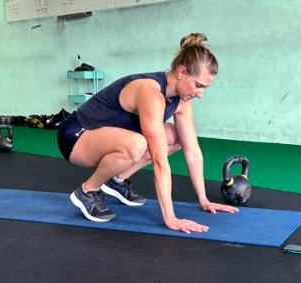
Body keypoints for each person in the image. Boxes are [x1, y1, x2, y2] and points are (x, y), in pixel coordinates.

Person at [57, 33, 239, 234]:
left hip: (107, 137)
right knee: (138, 144)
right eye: (198, 85)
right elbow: (159, 160)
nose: (200, 94)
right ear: (181, 72)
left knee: (176, 137)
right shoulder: (150, 92)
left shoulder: (182, 101)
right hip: (76, 136)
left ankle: (117, 180)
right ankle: (88, 191)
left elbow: (192, 150)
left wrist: (204, 199)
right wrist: (171, 219)